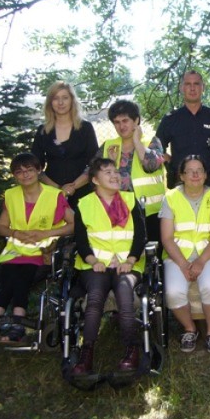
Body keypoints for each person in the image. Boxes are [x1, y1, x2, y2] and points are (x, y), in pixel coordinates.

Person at [0, 153, 74, 348]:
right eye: (19, 172)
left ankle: (9, 325)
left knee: (20, 276)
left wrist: (47, 233)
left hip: (42, 252)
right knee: (9, 276)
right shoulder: (11, 195)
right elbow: (1, 227)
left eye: (29, 170)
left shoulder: (54, 195)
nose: (25, 175)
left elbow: (73, 225)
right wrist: (15, 233)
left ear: (38, 171)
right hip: (15, 250)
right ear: (14, 176)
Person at [71, 158, 147, 375]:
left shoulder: (131, 201)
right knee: (95, 297)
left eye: (116, 172)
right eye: (107, 172)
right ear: (95, 179)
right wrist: (93, 261)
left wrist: (130, 260)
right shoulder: (84, 204)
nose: (115, 176)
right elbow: (81, 240)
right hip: (95, 266)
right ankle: (87, 354)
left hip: (128, 265)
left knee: (125, 293)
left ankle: (131, 351)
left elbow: (140, 236)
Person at [160, 155, 210, 353]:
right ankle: (190, 329)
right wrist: (182, 264)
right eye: (190, 171)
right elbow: (167, 238)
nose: (195, 174)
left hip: (208, 254)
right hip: (177, 256)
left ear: (206, 175)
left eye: (200, 170)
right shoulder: (170, 197)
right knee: (173, 292)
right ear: (181, 175)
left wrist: (200, 262)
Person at [98, 99, 166, 242]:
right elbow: (94, 175)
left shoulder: (151, 142)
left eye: (125, 121)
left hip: (150, 213)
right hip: (117, 212)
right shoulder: (109, 146)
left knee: (150, 257)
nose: (121, 126)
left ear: (136, 121)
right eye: (117, 122)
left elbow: (151, 165)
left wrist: (137, 142)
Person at [157, 70, 210, 191]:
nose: (192, 88)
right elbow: (157, 148)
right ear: (181, 88)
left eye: (196, 84)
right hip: (180, 182)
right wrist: (172, 161)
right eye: (187, 84)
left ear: (203, 87)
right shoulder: (170, 119)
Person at [31, 81, 98, 208]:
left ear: (72, 100)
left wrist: (72, 187)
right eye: (56, 98)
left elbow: (94, 164)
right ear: (50, 102)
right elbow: (35, 167)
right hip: (51, 192)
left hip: (83, 191)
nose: (60, 103)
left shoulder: (85, 128)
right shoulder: (43, 131)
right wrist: (58, 189)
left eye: (65, 98)